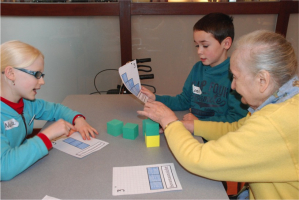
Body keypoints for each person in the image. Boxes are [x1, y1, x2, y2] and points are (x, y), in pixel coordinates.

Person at [138, 30, 299, 199]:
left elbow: (199, 160)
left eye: (235, 77)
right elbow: (237, 128)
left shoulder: (273, 123)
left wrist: (169, 121)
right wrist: (192, 126)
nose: (233, 86)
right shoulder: (284, 102)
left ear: (262, 80)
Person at [1, 40, 99, 181]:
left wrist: (78, 119)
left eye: (42, 75)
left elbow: (55, 110)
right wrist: (47, 135)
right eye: (36, 75)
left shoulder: (28, 103)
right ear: (10, 73)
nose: (42, 81)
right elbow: (4, 168)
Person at [141, 13, 248, 125]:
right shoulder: (197, 68)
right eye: (197, 46)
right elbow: (184, 101)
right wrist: (155, 98)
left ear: (226, 43)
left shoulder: (235, 75)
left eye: (205, 46)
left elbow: (236, 120)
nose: (199, 51)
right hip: (195, 130)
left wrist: (198, 123)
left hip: (217, 138)